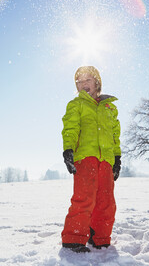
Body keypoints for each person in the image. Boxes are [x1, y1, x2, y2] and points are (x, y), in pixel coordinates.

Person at [60, 66, 121, 253]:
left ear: (97, 82)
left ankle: (100, 237)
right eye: (79, 82)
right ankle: (73, 237)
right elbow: (70, 128)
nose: (83, 84)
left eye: (87, 80)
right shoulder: (76, 104)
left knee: (106, 201)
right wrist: (68, 150)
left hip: (106, 160)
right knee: (84, 197)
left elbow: (115, 135)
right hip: (85, 157)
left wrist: (117, 158)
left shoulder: (110, 107)